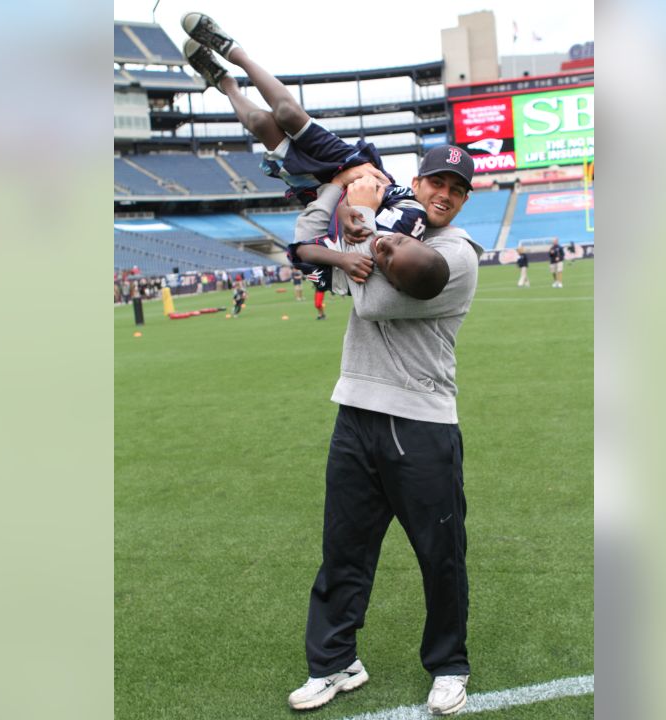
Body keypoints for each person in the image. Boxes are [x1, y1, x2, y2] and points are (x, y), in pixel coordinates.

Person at [284, 147, 481, 716]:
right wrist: (340, 184)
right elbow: (329, 262)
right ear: (414, 184)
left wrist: (360, 224)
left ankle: (448, 665)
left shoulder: (455, 253)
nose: (443, 194)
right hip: (355, 410)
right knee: (342, 550)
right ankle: (334, 662)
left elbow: (374, 300)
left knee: (440, 554)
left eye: (457, 188)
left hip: (421, 422)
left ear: (465, 199)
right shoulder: (385, 231)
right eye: (435, 182)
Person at [181, 13, 427, 235]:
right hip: (356, 167)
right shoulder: (421, 222)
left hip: (322, 193)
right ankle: (234, 52)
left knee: (260, 122)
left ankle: (225, 83)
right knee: (287, 113)